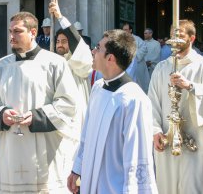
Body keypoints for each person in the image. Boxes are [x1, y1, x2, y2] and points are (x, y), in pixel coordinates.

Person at [0, 11, 80, 193]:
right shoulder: (0, 66)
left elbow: (68, 103)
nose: (12, 36)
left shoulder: (55, 63)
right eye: (10, 31)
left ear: (33, 32)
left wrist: (37, 117)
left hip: (45, 146)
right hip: (11, 147)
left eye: (17, 31)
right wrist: (2, 114)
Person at [67, 29, 158, 194]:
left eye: (98, 47)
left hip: (114, 187)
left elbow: (137, 157)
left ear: (110, 58)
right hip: (90, 180)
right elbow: (86, 134)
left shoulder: (133, 99)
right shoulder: (98, 87)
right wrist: (77, 169)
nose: (93, 51)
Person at [148, 20, 203, 194]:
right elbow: (151, 101)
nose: (176, 40)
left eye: (181, 35)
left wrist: (191, 86)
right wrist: (155, 130)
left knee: (194, 187)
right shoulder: (161, 68)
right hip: (167, 139)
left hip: (196, 139)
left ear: (192, 38)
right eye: (173, 36)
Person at [49, 0, 93, 123]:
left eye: (64, 41)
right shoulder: (52, 62)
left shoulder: (78, 60)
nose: (59, 45)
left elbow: (78, 44)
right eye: (58, 41)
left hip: (76, 115)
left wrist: (59, 17)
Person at [122, 23, 150, 93]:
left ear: (130, 30)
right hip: (126, 65)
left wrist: (135, 56)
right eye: (123, 29)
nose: (124, 31)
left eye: (126, 29)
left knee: (139, 84)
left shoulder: (137, 39)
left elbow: (144, 48)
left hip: (138, 64)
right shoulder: (121, 40)